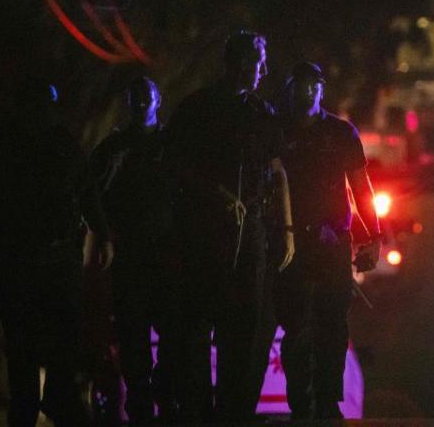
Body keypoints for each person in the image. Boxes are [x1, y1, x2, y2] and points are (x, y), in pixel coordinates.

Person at [0, 77, 113, 427]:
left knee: (65, 340)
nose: (43, 113)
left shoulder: (62, 144)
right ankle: (26, 410)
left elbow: (86, 189)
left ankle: (58, 397)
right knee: (23, 349)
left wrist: (102, 233)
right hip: (16, 267)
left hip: (59, 263)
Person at [166, 31, 294, 422]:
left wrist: (287, 228)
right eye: (258, 63)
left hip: (250, 229)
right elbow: (174, 166)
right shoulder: (197, 109)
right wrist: (216, 194)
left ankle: (234, 412)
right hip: (204, 232)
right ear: (239, 64)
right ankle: (199, 411)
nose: (263, 71)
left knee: (245, 326)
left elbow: (277, 171)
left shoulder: (262, 112)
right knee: (198, 325)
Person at [274, 61, 383, 419]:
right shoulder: (276, 131)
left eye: (312, 86)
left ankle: (327, 400)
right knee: (296, 327)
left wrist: (374, 236)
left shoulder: (340, 133)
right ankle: (300, 403)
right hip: (290, 246)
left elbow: (361, 187)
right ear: (290, 89)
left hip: (334, 242)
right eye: (299, 85)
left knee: (333, 325)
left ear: (321, 90)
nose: (306, 93)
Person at [90, 76, 176, 423]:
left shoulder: (172, 144)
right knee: (132, 333)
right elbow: (90, 193)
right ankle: (140, 403)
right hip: (129, 255)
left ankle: (164, 394)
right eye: (134, 97)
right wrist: (104, 236)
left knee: (174, 331)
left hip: (168, 254)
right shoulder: (114, 148)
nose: (141, 102)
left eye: (146, 96)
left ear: (157, 100)